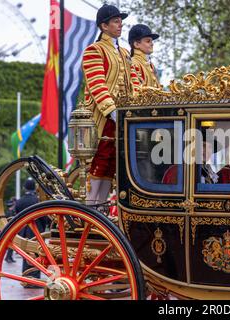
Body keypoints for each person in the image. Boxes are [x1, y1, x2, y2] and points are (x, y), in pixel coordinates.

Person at [82, 4, 133, 205]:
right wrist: (113, 112)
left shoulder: (124, 53)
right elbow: (97, 84)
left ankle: (99, 208)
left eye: (120, 21)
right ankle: (91, 206)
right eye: (116, 21)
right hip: (103, 117)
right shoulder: (94, 50)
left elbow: (132, 86)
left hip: (123, 116)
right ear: (104, 26)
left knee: (113, 162)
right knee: (100, 160)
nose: (120, 25)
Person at [16, 178, 46, 282]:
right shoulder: (37, 200)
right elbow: (43, 218)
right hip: (36, 230)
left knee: (26, 254)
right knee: (37, 254)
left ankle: (26, 277)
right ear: (34, 187)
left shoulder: (20, 201)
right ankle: (35, 278)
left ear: (25, 187)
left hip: (24, 230)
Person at [128, 23, 162, 94]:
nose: (152, 44)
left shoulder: (151, 65)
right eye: (148, 41)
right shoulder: (133, 63)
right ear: (137, 44)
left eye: (151, 41)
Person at [4, 197, 17, 263]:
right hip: (10, 230)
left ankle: (9, 257)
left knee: (12, 245)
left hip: (12, 230)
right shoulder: (9, 212)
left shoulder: (10, 212)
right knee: (11, 246)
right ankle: (8, 257)